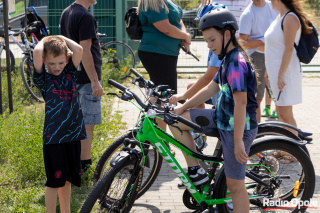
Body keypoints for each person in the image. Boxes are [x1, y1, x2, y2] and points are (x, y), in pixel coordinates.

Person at [169, 8, 258, 212]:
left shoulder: (236, 63)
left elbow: (241, 104)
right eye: (206, 41)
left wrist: (237, 142)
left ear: (227, 34)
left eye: (211, 40)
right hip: (220, 118)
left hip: (237, 128)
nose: (209, 46)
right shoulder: (227, 57)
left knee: (235, 186)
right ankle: (196, 170)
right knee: (177, 119)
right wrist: (182, 105)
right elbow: (212, 88)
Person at [33, 36, 86, 213]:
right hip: (54, 137)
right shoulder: (43, 79)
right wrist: (47, 39)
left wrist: (61, 38)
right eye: (52, 63)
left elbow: (79, 49)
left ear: (67, 59)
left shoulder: (70, 72)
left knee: (68, 179)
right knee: (55, 181)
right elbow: (36, 51)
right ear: (45, 62)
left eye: (60, 62)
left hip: (73, 134)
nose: (56, 67)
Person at [264, 0, 311, 163]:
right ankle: (286, 147)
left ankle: (294, 152)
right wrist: (269, 73)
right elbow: (273, 48)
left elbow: (289, 48)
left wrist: (281, 74)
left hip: (286, 74)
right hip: (277, 73)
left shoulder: (290, 18)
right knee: (282, 112)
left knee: (285, 113)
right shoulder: (279, 17)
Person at [60, 0, 103, 172]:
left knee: (75, 121)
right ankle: (84, 165)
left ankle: (73, 161)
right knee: (87, 122)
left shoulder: (67, 12)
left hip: (73, 76)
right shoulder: (85, 16)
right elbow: (84, 51)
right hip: (85, 79)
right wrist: (94, 81)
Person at [137, 0, 191, 131]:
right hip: (156, 53)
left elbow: (179, 21)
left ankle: (145, 130)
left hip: (167, 54)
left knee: (159, 95)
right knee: (165, 97)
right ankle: (160, 139)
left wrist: (184, 38)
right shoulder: (152, 1)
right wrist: (186, 36)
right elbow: (165, 28)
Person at [239, 0, 278, 123]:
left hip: (276, 55)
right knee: (257, 99)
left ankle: (286, 134)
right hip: (257, 57)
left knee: (281, 98)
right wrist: (263, 41)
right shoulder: (247, 14)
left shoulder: (274, 6)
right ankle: (255, 133)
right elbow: (243, 42)